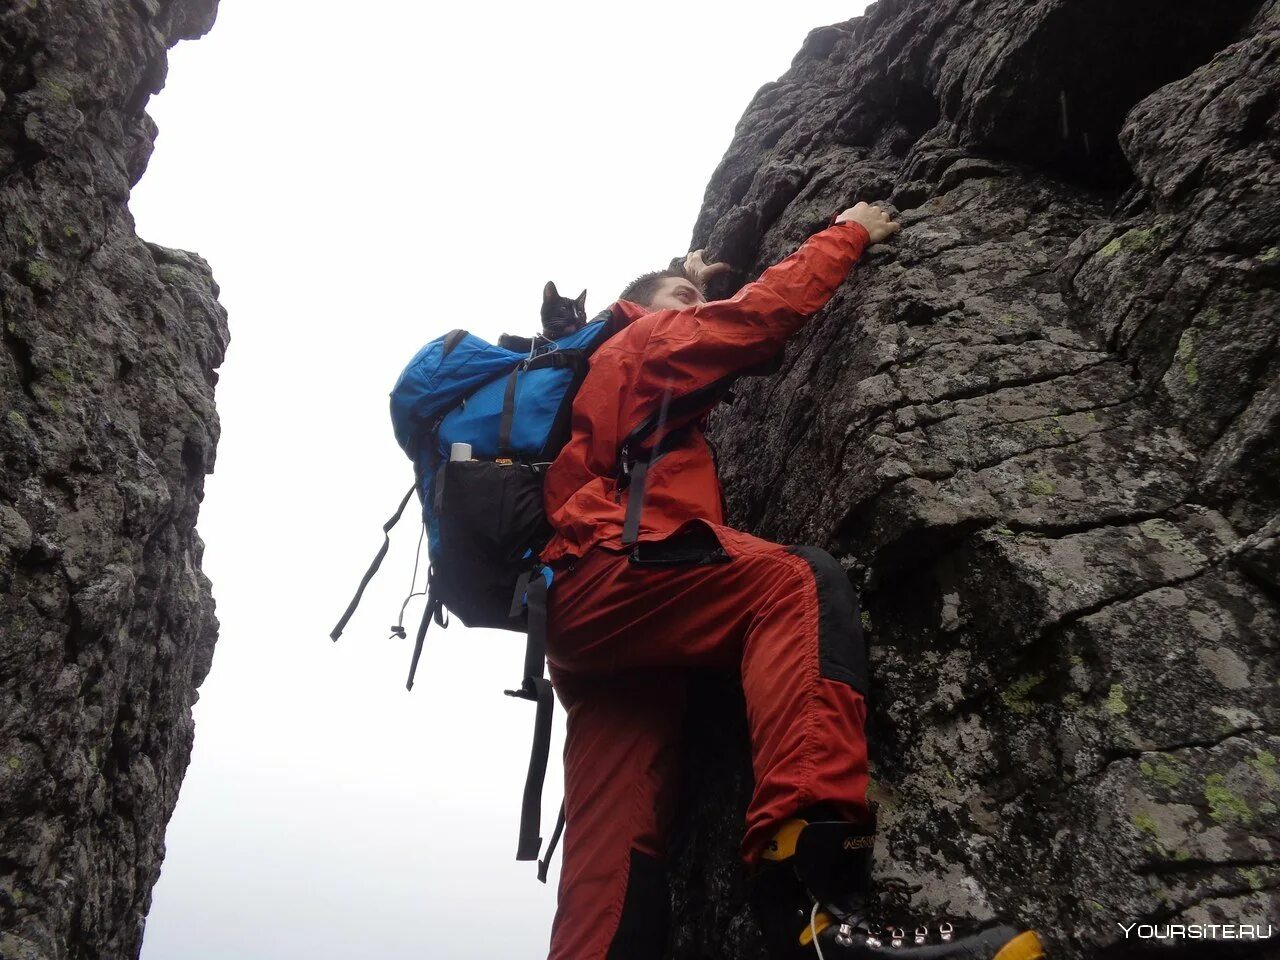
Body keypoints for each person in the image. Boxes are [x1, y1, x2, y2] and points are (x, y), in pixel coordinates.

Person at [539, 203, 1044, 960]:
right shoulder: (642, 336)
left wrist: (688, 279)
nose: (695, 310)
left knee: (609, 855)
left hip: (581, 616)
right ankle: (810, 909)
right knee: (792, 585)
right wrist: (848, 232)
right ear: (634, 308)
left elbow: (702, 311)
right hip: (620, 565)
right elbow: (756, 318)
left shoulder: (605, 383)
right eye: (680, 301)